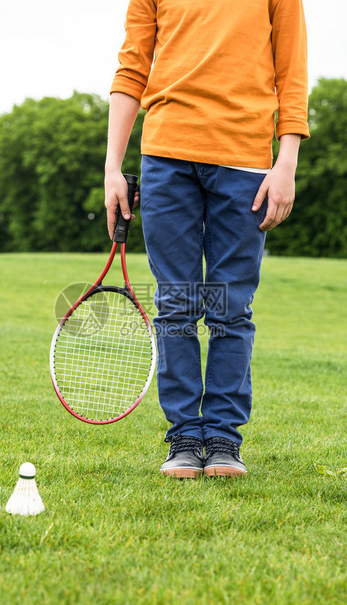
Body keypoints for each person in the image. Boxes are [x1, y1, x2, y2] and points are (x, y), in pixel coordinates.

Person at [104, 0, 309, 478]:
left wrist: (287, 163)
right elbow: (131, 69)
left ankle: (222, 439)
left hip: (245, 160)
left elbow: (292, 72)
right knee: (176, 302)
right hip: (165, 158)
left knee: (230, 306)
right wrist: (113, 167)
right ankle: (183, 437)